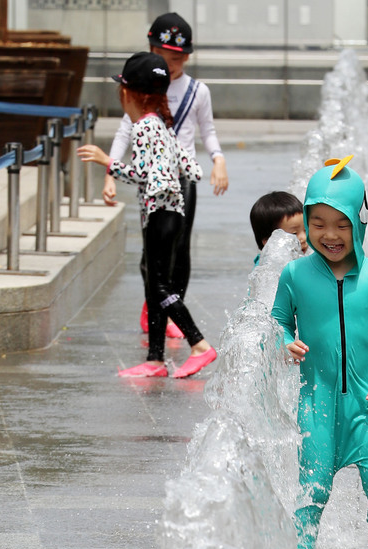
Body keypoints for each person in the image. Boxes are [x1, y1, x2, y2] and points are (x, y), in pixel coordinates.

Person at [271, 156, 368, 549]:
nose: (330, 235)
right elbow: (274, 322)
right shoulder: (295, 275)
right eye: (318, 222)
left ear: (360, 223)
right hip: (317, 401)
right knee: (312, 487)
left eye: (342, 224)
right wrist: (282, 343)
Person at [78, 52, 213, 380]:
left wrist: (105, 162)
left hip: (161, 215)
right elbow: (190, 168)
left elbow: (141, 173)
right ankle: (155, 359)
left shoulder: (145, 127)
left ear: (127, 94)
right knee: (156, 286)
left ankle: (199, 343)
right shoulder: (164, 126)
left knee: (160, 286)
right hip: (172, 214)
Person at [104, 11, 226, 365]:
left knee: (179, 250)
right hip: (153, 180)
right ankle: (158, 303)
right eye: (166, 56)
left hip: (180, 180)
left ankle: (172, 311)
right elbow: (124, 131)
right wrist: (110, 172)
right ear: (152, 48)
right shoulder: (147, 85)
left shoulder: (196, 91)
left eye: (178, 58)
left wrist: (217, 159)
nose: (172, 64)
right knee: (153, 259)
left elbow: (208, 131)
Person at [250, 191, 307, 263]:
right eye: (294, 233)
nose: (304, 238)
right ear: (268, 242)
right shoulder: (268, 267)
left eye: (306, 230)